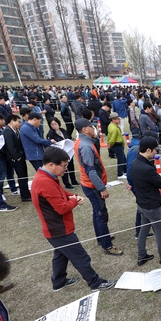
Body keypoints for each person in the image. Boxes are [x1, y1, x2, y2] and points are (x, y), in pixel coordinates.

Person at [31, 147, 115, 292]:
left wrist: (71, 195)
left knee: (61, 255)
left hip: (55, 229)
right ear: (51, 164)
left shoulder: (47, 177)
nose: (66, 169)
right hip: (59, 229)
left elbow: (60, 192)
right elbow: (62, 208)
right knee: (81, 257)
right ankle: (95, 282)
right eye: (63, 166)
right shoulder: (44, 182)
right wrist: (75, 201)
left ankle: (59, 282)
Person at [74, 118, 124, 256]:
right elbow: (91, 170)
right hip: (92, 186)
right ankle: (107, 245)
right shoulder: (85, 146)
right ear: (85, 129)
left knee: (97, 212)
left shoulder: (82, 142)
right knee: (101, 214)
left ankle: (102, 238)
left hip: (89, 184)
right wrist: (102, 188)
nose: (94, 128)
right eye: (91, 127)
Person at [129, 136, 161, 266]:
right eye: (155, 150)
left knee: (143, 230)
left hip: (141, 204)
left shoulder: (135, 163)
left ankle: (142, 255)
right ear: (148, 150)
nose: (156, 152)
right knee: (160, 232)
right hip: (151, 205)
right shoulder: (146, 169)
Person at [46, 117, 79, 190]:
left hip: (68, 152)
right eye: (52, 124)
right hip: (60, 154)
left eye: (55, 123)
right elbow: (50, 145)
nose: (54, 125)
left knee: (71, 167)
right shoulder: (50, 134)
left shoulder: (63, 130)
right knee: (64, 169)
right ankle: (67, 184)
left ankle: (74, 180)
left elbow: (68, 138)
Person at [107, 112, 127, 178]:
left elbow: (109, 136)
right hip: (117, 145)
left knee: (123, 158)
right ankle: (120, 174)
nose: (119, 120)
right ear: (113, 120)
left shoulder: (111, 125)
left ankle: (125, 171)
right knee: (121, 159)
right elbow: (112, 139)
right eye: (118, 119)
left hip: (117, 145)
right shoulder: (114, 128)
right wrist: (110, 144)